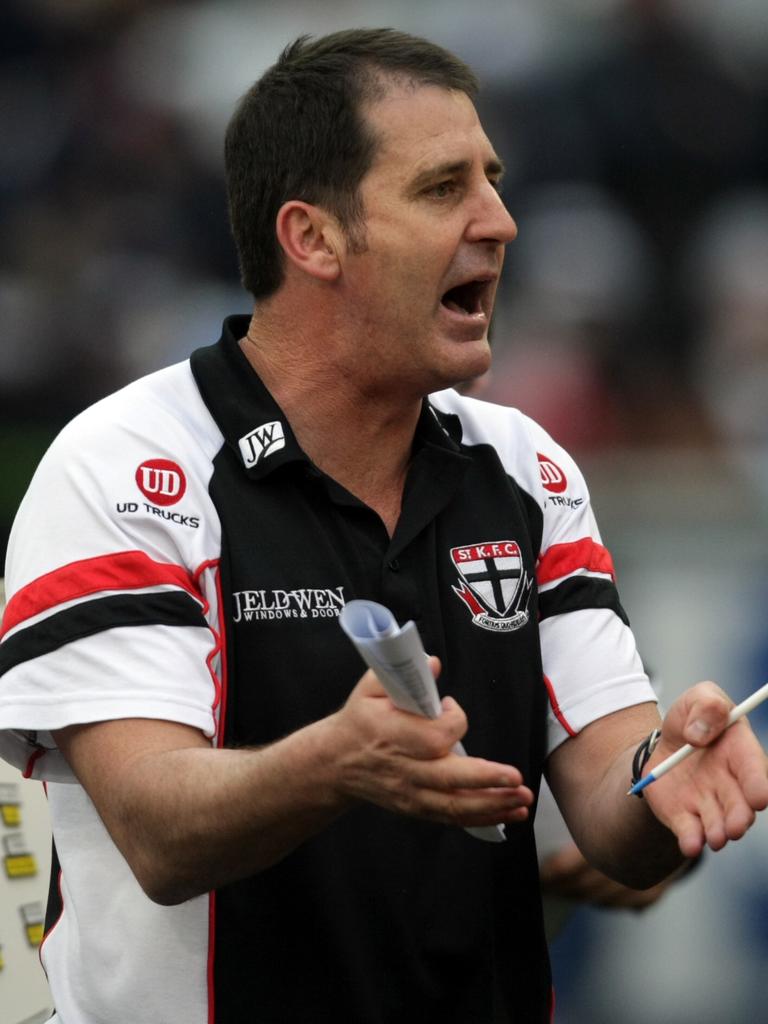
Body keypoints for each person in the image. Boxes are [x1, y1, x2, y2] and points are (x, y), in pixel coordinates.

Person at [0, 28, 765, 1024]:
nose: (500, 220)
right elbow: (157, 829)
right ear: (313, 238)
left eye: (493, 179)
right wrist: (335, 763)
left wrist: (671, 779)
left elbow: (614, 809)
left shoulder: (524, 469)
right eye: (444, 187)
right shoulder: (125, 465)